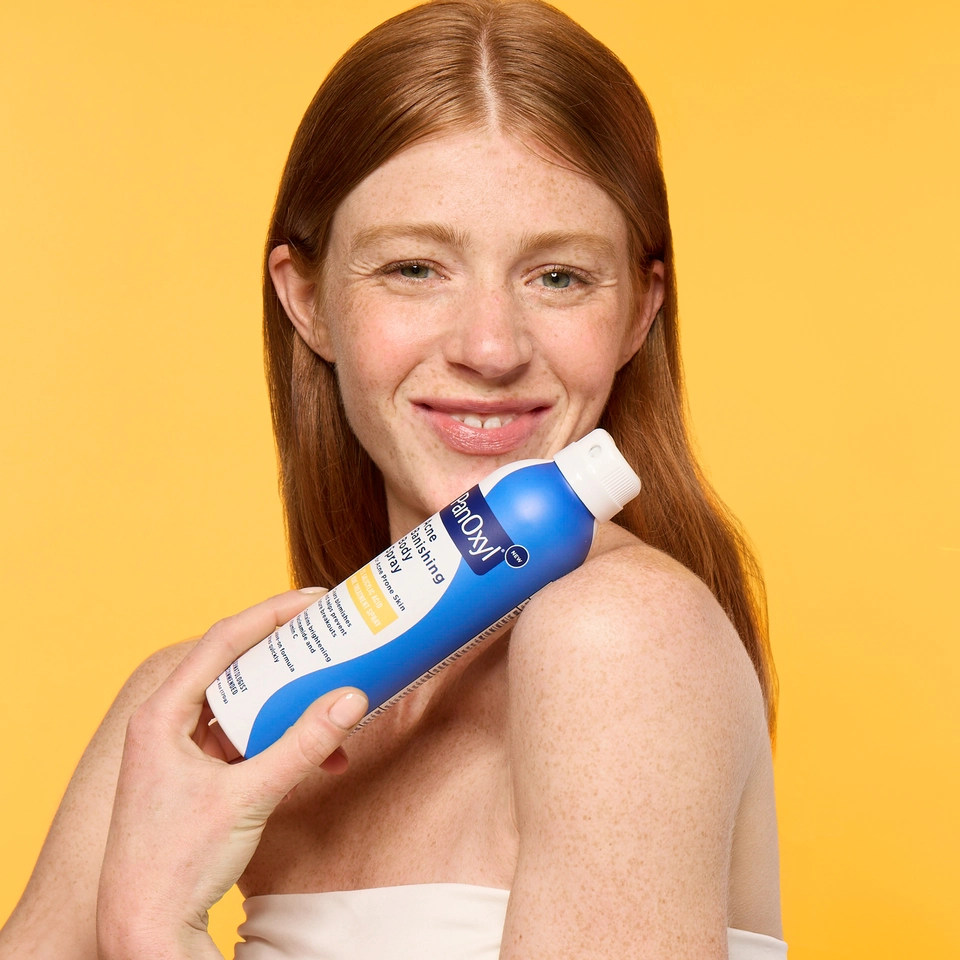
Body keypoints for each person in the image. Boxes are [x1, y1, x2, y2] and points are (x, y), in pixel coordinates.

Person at [0, 1, 785, 957]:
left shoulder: (617, 641)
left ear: (638, 311)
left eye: (560, 277)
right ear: (308, 301)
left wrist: (149, 927)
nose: (490, 347)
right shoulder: (189, 722)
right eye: (414, 267)